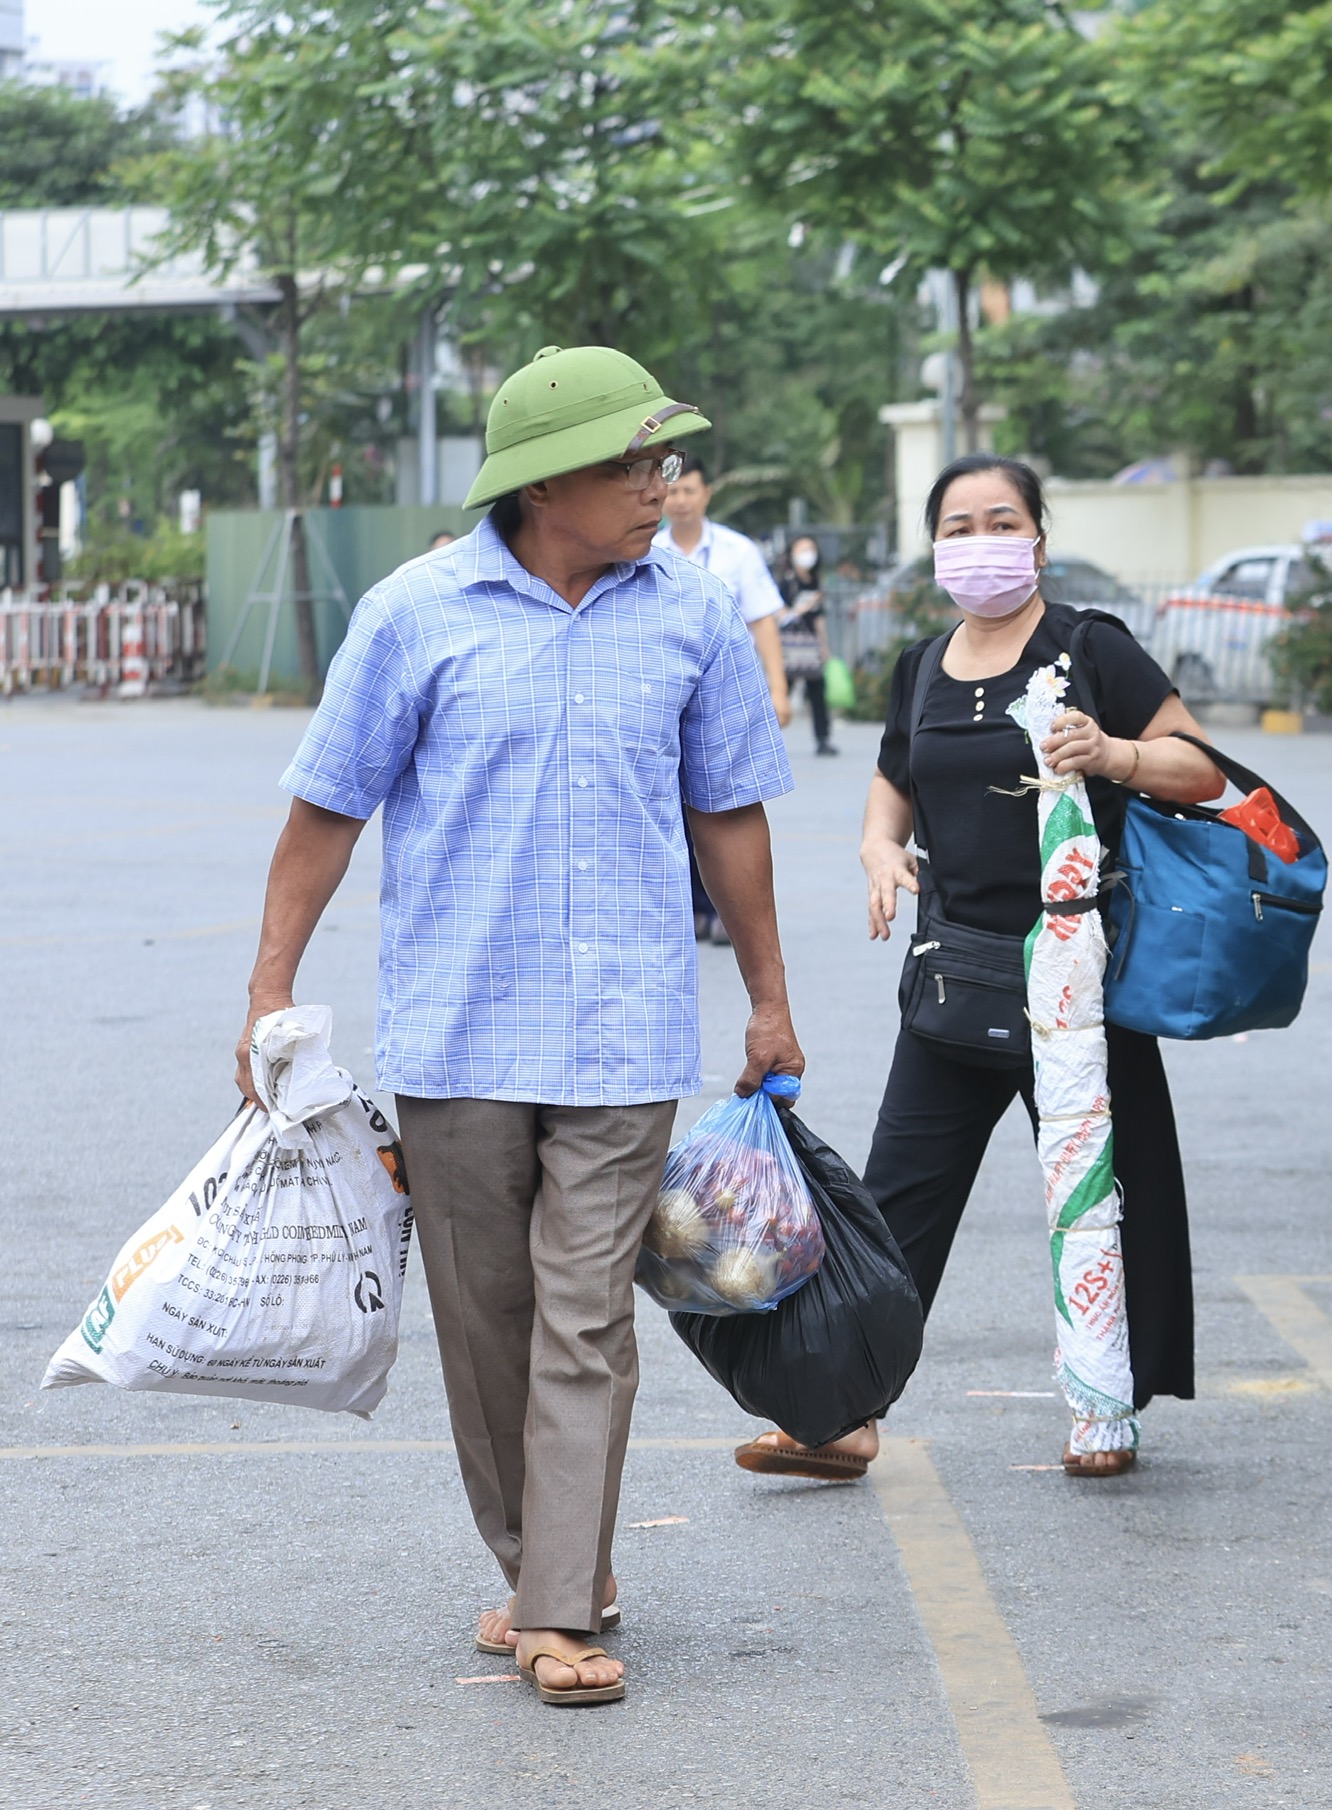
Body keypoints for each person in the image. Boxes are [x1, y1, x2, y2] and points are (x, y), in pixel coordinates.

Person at [238, 344, 801, 1707]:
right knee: (484, 1326)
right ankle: (544, 1558)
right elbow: (328, 808)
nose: (666, 488)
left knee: (585, 1318)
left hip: (624, 1041)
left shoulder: (692, 615)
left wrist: (772, 997)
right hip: (458, 1034)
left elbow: (729, 812)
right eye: (640, 463)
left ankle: (556, 1602)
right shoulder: (414, 613)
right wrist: (268, 989)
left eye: (671, 462)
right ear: (550, 481)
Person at [732, 453, 1222, 1484]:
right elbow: (890, 787)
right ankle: (841, 1414)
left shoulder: (1090, 649)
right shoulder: (919, 665)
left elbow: (1201, 765)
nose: (979, 538)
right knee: (892, 1204)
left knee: (1105, 1192)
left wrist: (1115, 754)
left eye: (1001, 519)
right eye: (957, 524)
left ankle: (1107, 1406)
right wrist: (878, 850)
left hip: (1081, 983)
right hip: (955, 977)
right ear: (936, 547)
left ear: (1038, 537)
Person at [655, 449, 791, 942]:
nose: (680, 500)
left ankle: (723, 909)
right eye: (673, 490)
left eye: (690, 490)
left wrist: (778, 689)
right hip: (666, 694)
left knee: (724, 803)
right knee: (675, 799)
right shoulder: (646, 548)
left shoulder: (738, 553)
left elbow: (762, 621)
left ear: (706, 494)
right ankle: (693, 905)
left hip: (724, 695)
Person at [775, 532, 837, 757]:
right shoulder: (786, 583)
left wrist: (825, 646)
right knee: (783, 691)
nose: (806, 555)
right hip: (790, 646)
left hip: (811, 646)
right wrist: (802, 607)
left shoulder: (816, 581)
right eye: (801, 550)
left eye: (810, 549)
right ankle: (766, 739)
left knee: (817, 692)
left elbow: (819, 619)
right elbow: (779, 615)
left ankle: (823, 739)